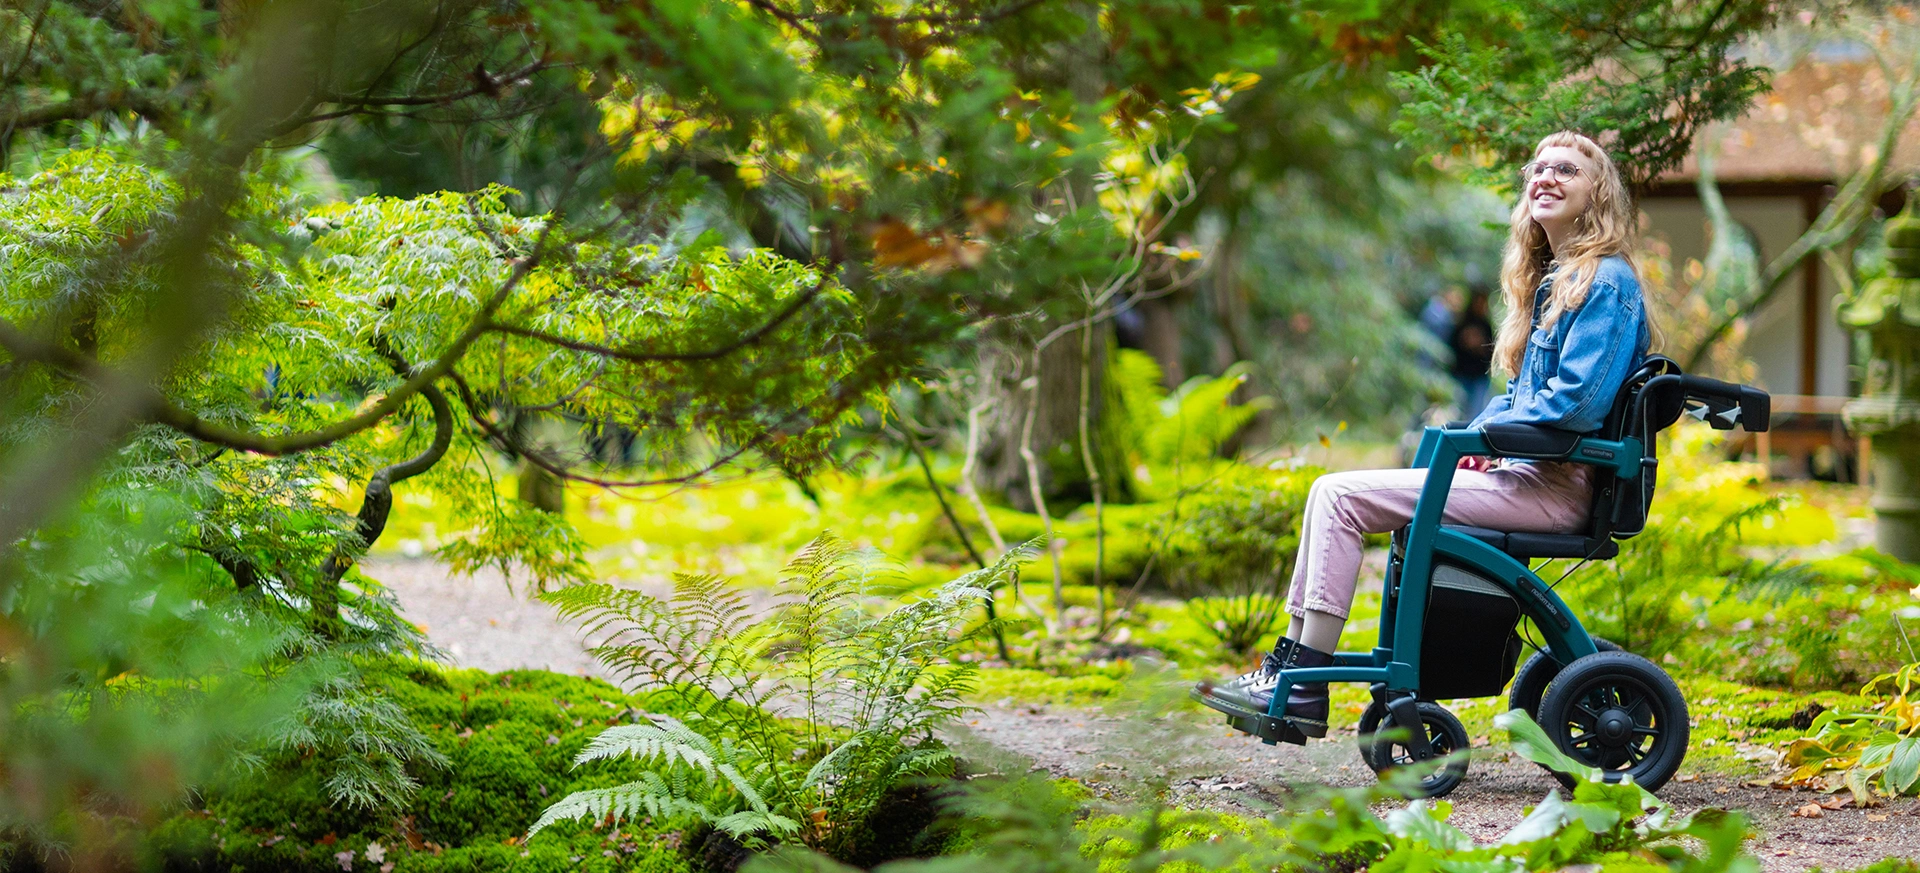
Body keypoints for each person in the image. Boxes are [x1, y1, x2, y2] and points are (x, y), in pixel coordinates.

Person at [1196, 130, 1652, 742]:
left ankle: (1303, 682)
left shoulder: (1605, 283)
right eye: (1537, 168)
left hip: (1554, 487)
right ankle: (1290, 664)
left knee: (1339, 496)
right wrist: (1487, 440)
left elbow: (1574, 405)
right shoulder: (1559, 279)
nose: (1546, 176)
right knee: (1332, 491)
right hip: (1527, 476)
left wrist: (1482, 437)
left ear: (1597, 191)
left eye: (1566, 169)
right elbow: (1524, 399)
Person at [1449, 289, 1495, 418]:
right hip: (1462, 374)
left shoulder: (1485, 325)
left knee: (1476, 413)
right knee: (1458, 411)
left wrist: (1479, 345)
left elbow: (1492, 350)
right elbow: (1451, 348)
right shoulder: (1462, 322)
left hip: (1480, 375)